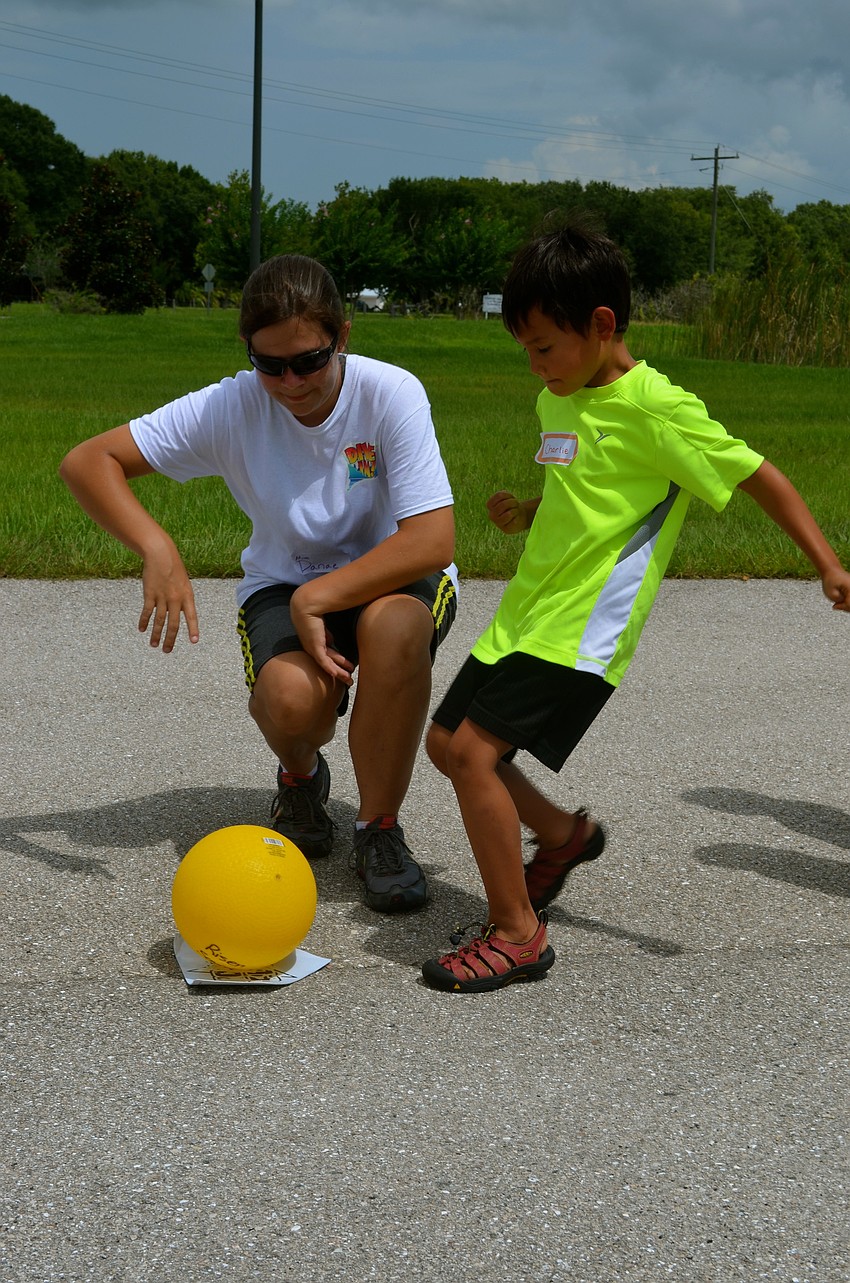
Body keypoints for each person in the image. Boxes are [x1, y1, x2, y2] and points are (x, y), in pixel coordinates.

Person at [421, 216, 850, 994]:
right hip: (524, 614)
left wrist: (827, 564)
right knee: (444, 741)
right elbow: (572, 482)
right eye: (525, 347)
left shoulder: (659, 409)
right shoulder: (558, 398)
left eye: (544, 345)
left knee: (474, 757)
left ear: (602, 325)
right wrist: (526, 508)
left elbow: (761, 475)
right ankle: (561, 835)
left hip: (579, 633)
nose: (535, 363)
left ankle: (518, 933)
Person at [60, 254, 457, 914]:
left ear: (344, 337)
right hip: (285, 579)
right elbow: (87, 462)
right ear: (247, 350)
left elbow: (431, 539)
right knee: (293, 702)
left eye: (309, 360)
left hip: (394, 573)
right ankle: (301, 778)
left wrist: (321, 598)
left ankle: (379, 829)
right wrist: (156, 544)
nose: (290, 381)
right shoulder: (233, 405)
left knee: (393, 631)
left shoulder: (391, 393)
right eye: (268, 364)